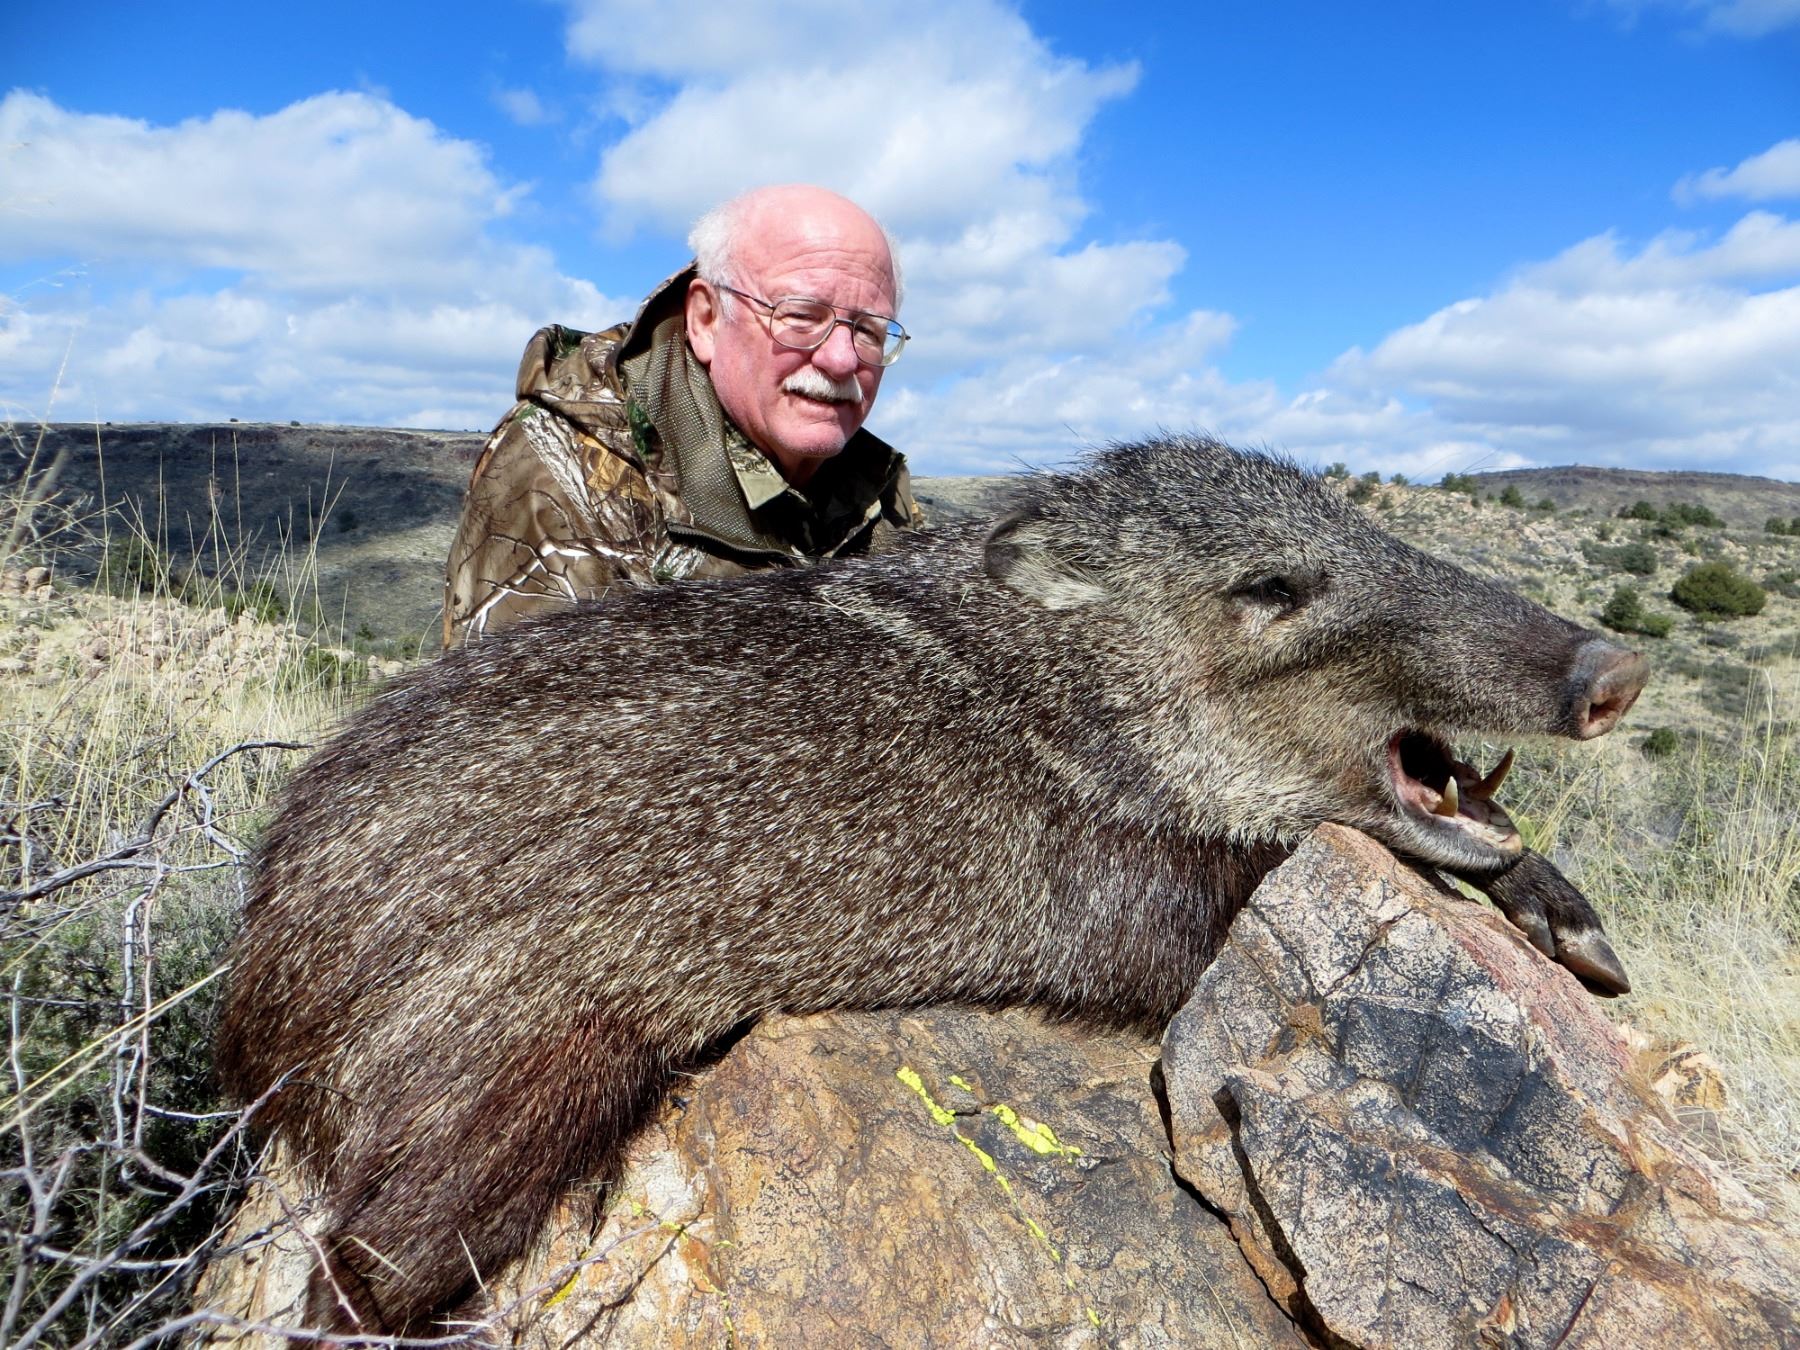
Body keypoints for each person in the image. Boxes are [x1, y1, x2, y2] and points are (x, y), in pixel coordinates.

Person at [442, 184, 922, 644]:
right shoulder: (559, 472)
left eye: (869, 331)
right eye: (799, 316)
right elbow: (526, 721)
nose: (841, 359)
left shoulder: (880, 489)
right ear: (707, 321)